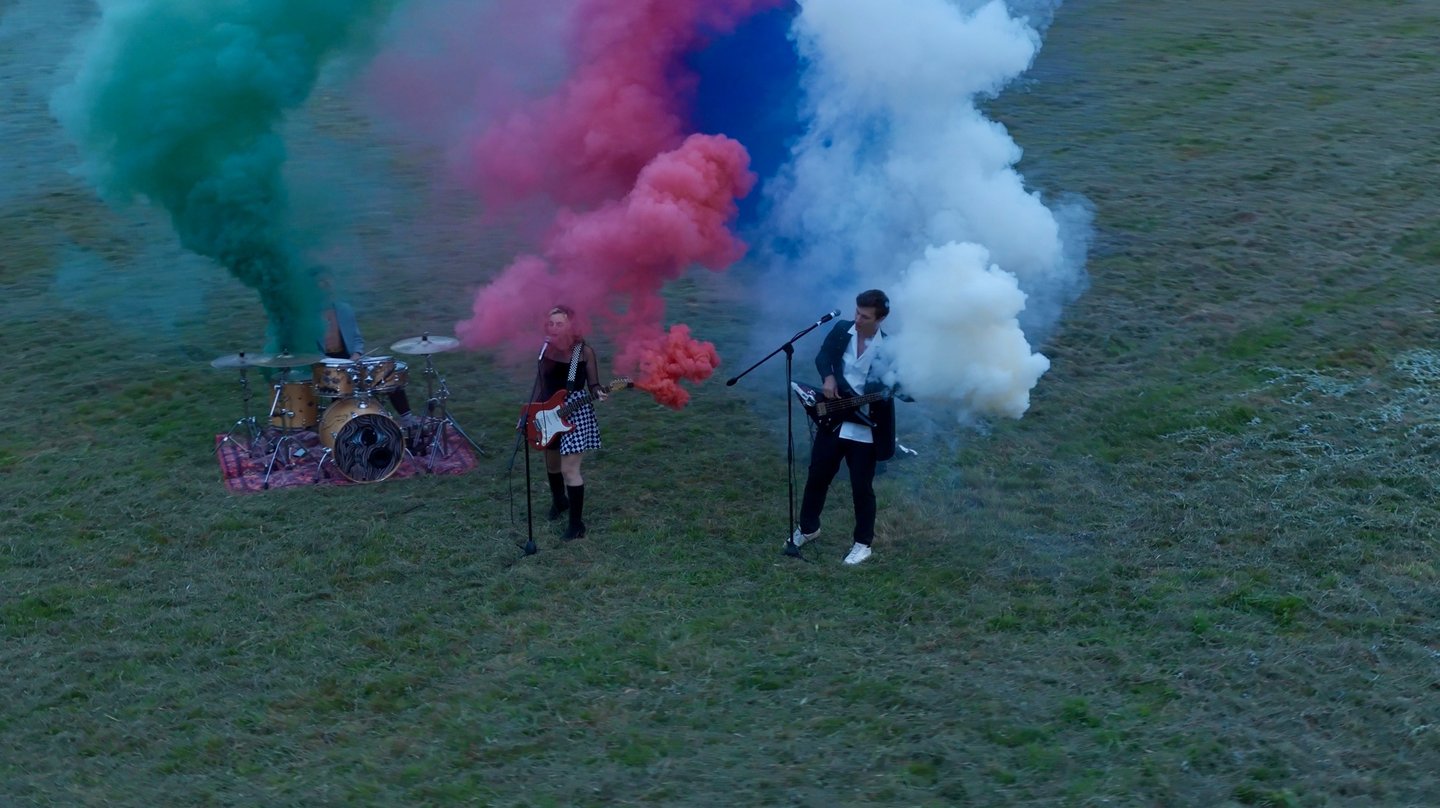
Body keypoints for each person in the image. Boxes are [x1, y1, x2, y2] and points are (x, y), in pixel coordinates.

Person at [791, 289, 904, 565]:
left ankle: (863, 543)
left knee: (861, 488)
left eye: (864, 316)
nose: (857, 319)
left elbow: (905, 390)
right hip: (833, 421)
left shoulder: (891, 350)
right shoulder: (843, 330)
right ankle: (808, 528)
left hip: (866, 431)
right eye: (856, 312)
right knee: (817, 475)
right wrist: (828, 377)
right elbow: (823, 357)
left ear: (881, 319)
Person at [533, 305, 607, 540]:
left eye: (560, 324)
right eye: (551, 323)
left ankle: (577, 526)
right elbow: (540, 382)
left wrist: (599, 392)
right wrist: (530, 411)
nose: (554, 328)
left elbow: (594, 385)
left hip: (575, 414)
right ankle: (559, 502)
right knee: (552, 464)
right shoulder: (546, 349)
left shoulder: (583, 353)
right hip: (547, 412)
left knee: (569, 470)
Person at [317, 295, 418, 428]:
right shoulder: (306, 315)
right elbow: (307, 347)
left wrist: (356, 354)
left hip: (349, 357)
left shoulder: (344, 309)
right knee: (341, 391)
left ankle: (407, 420)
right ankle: (339, 425)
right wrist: (325, 361)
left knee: (388, 370)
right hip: (324, 361)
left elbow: (357, 339)